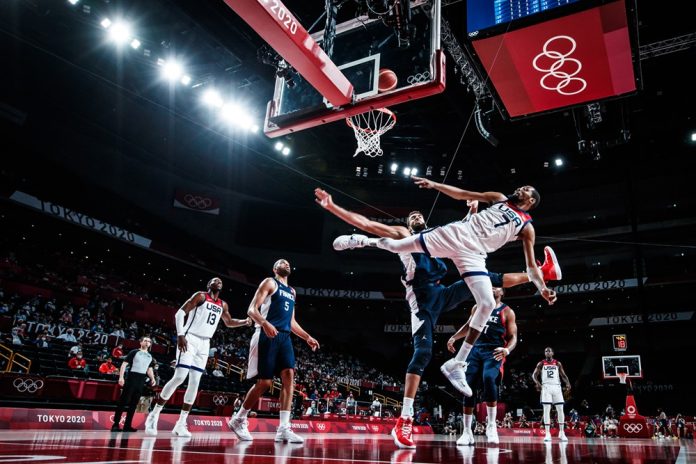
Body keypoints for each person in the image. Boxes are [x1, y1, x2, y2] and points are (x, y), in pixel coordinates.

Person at [315, 188, 561, 449]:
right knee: (423, 354)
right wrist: (334, 208)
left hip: (441, 294)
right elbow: (369, 223)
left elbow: (470, 230)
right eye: (412, 216)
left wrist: (474, 208)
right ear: (409, 223)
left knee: (488, 282)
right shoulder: (405, 233)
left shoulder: (439, 238)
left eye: (419, 214)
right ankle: (405, 419)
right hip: (421, 302)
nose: (416, 216)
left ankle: (542, 274)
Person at [228, 259, 320, 444]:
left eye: (287, 263)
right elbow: (251, 309)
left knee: (289, 375)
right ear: (274, 268)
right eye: (281, 262)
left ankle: (283, 429)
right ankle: (238, 419)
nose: (285, 263)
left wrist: (307, 336)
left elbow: (292, 322)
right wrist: (265, 323)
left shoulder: (292, 292)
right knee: (265, 383)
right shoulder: (270, 282)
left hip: (284, 336)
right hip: (266, 333)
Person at [145, 277, 251, 437]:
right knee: (180, 376)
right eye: (215, 280)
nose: (218, 281)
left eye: (220, 281)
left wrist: (244, 322)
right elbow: (179, 313)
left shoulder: (223, 304)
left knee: (195, 383)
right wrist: (180, 335)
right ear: (209, 285)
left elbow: (228, 322)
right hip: (190, 337)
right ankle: (154, 415)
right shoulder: (200, 296)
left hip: (204, 343)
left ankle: (181, 424)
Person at [447, 287, 517, 445]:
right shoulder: (477, 306)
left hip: (494, 352)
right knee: (467, 386)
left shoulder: (507, 312)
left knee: (488, 378)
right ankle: (466, 432)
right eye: (491, 285)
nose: (493, 288)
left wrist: (507, 349)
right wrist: (454, 337)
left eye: (497, 286)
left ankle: (491, 425)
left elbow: (514, 337)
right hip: (475, 350)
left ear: (502, 293)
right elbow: (468, 326)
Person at [111, 335, 157, 432]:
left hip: (141, 381)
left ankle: (127, 425)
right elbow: (124, 364)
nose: (147, 342)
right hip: (131, 378)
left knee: (134, 404)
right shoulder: (134, 352)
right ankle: (115, 425)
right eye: (145, 340)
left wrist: (152, 378)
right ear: (141, 342)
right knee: (123, 402)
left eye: (149, 341)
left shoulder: (150, 356)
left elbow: (149, 368)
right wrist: (121, 377)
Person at [533, 347, 571, 441]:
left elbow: (563, 375)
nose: (547, 352)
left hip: (556, 387)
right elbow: (534, 375)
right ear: (544, 353)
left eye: (549, 351)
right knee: (546, 410)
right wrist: (537, 383)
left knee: (560, 409)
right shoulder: (541, 363)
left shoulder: (557, 363)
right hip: (546, 387)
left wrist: (568, 383)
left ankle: (562, 432)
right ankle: (547, 433)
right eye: (546, 351)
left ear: (553, 353)